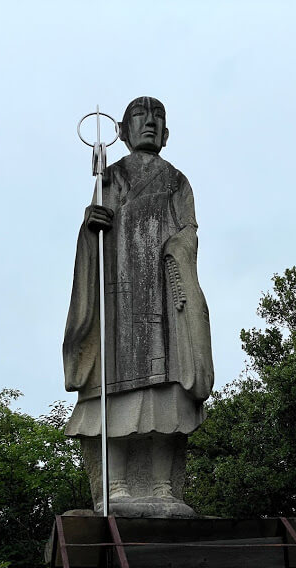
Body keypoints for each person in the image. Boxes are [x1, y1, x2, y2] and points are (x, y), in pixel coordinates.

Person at [63, 96, 214, 512]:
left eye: (158, 117)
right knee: (112, 397)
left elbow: (189, 232)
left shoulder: (176, 180)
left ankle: (163, 486)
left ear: (166, 132)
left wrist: (176, 253)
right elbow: (93, 235)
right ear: (124, 129)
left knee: (167, 395)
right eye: (140, 117)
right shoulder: (109, 178)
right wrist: (91, 225)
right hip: (117, 302)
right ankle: (117, 487)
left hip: (163, 298)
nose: (149, 123)